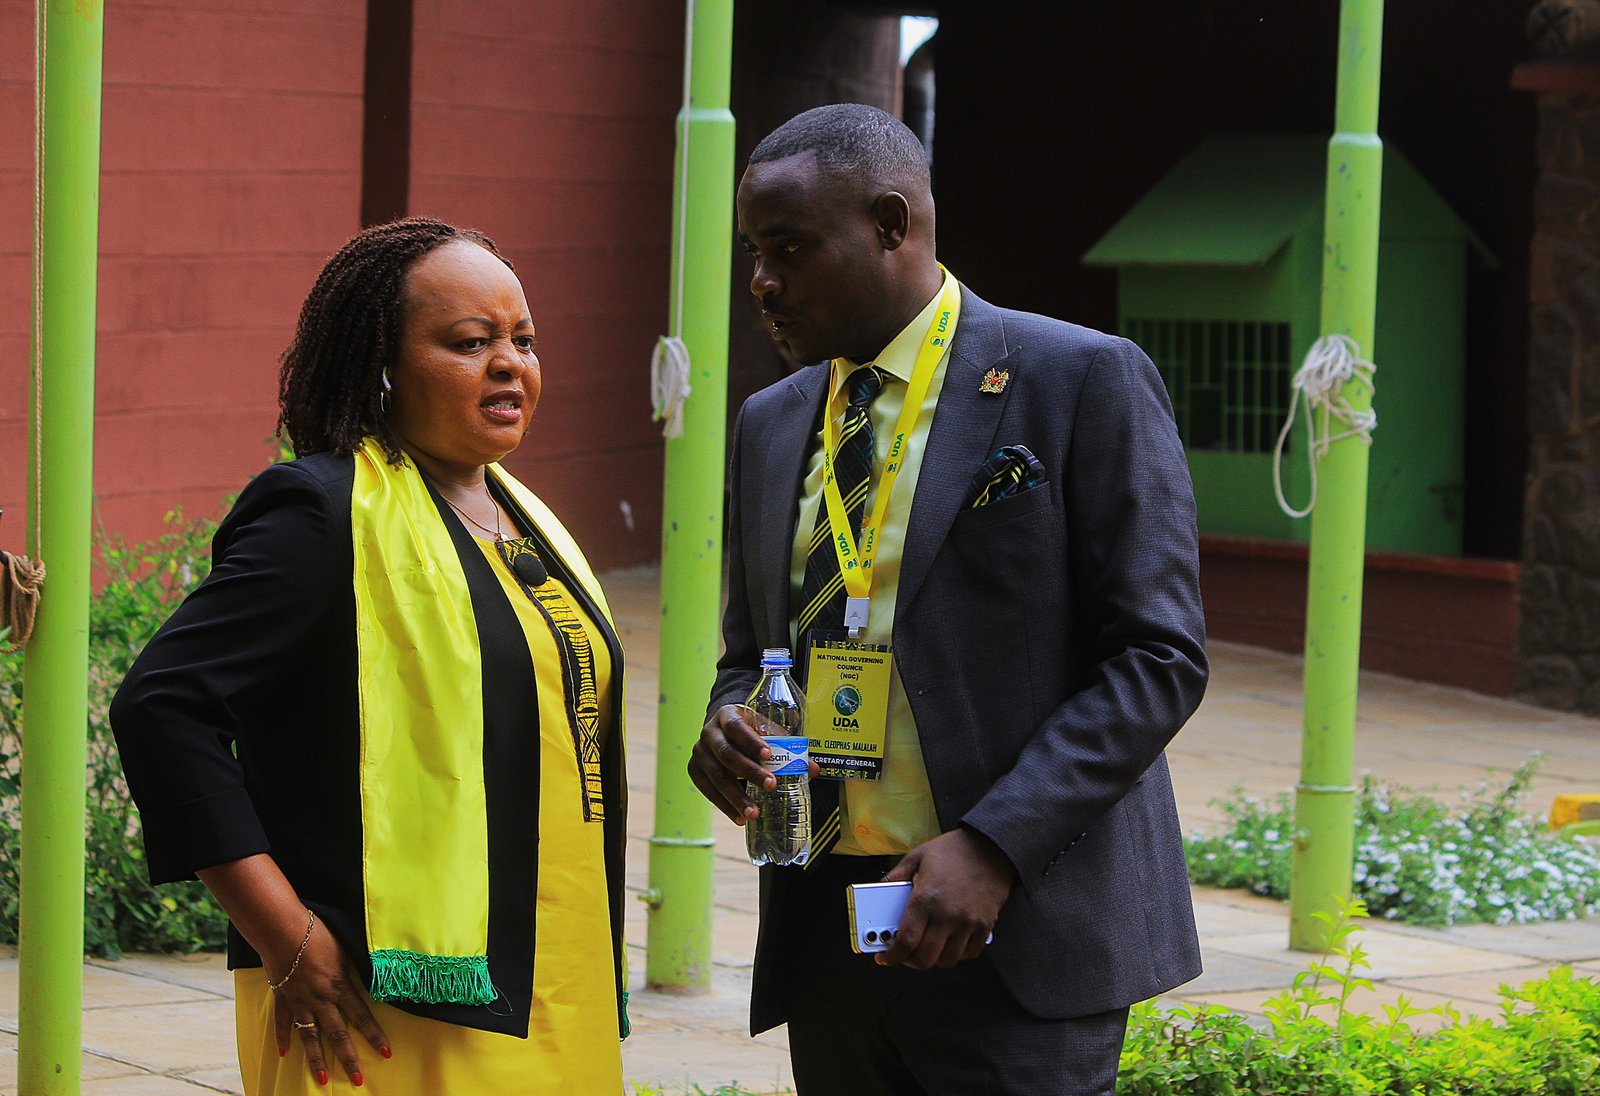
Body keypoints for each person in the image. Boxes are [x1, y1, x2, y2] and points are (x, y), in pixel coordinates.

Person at [688, 104, 1208, 1095]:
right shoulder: (769, 422)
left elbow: (1156, 657)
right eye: (753, 251)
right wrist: (729, 723)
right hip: (833, 936)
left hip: (1014, 930)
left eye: (789, 249)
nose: (761, 281)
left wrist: (994, 844)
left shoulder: (1077, 380)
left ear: (892, 224)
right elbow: (751, 651)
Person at [111, 217, 628, 1094]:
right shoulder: (323, 514)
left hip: (552, 972)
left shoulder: (524, 514)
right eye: (471, 342)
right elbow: (162, 707)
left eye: (524, 339)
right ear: (381, 366)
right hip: (375, 1003)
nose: (511, 364)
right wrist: (287, 935)